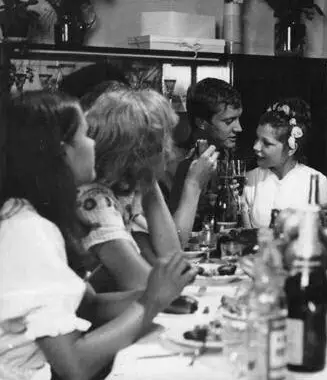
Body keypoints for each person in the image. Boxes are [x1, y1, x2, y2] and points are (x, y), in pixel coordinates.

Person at [0, 91, 196, 380]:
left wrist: (159, 293)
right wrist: (151, 301)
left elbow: (89, 305)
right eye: (84, 135)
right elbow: (75, 366)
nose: (93, 143)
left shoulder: (30, 216)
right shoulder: (28, 231)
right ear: (63, 152)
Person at [76, 88, 205, 291]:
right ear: (139, 151)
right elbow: (148, 286)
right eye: (164, 142)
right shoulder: (94, 201)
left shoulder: (121, 193)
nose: (170, 152)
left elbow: (173, 259)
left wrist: (149, 179)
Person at [242, 98, 327, 228]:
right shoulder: (250, 180)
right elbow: (246, 234)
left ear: (292, 149)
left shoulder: (316, 181)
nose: (256, 147)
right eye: (257, 138)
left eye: (266, 143)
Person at [166, 77, 243, 230]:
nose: (239, 128)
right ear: (201, 123)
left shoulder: (229, 158)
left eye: (238, 119)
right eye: (229, 121)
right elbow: (170, 229)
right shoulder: (175, 165)